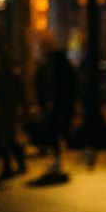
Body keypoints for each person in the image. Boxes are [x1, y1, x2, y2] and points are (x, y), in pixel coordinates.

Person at [0, 52, 26, 179]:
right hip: (10, 110)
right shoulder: (13, 75)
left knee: (5, 138)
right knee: (9, 137)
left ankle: (9, 166)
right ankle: (16, 164)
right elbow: (20, 93)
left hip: (2, 111)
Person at [34, 46, 76, 174]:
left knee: (55, 133)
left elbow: (53, 92)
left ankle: (57, 158)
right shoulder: (67, 74)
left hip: (58, 109)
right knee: (59, 133)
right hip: (64, 109)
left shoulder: (56, 76)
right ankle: (58, 158)